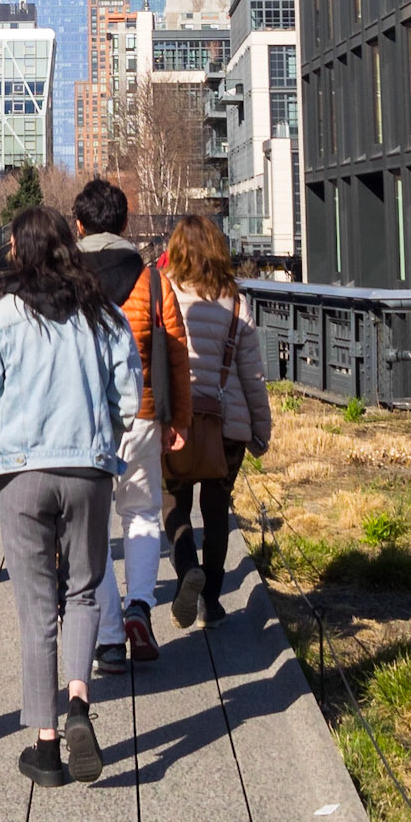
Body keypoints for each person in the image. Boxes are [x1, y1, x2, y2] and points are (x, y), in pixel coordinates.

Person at [0, 206, 141, 789]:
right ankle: (79, 702)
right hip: (86, 469)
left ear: (19, 252)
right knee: (86, 590)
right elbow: (128, 399)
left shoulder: (3, 315)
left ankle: (45, 747)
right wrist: (102, 433)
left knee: (36, 607)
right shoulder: (104, 315)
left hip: (21, 472)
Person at [73, 177, 191, 671]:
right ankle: (139, 605)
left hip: (82, 419)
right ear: (125, 223)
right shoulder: (152, 281)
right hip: (143, 412)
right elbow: (177, 353)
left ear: (79, 226)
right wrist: (178, 418)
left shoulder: (67, 281)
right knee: (141, 513)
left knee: (91, 529)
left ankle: (108, 637)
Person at [162, 215, 272, 627]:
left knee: (173, 502)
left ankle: (186, 566)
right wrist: (260, 432)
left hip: (178, 421)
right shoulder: (235, 302)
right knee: (215, 513)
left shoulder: (165, 292)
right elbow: (253, 376)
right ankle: (211, 601)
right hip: (227, 424)